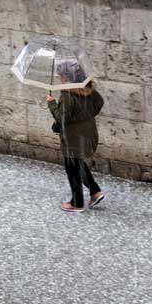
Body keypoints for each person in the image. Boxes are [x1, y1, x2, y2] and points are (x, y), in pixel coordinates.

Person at [46, 63, 104, 213]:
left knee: (72, 169)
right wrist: (85, 117)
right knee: (78, 164)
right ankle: (95, 192)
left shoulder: (68, 94)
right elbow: (99, 103)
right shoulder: (89, 90)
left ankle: (77, 203)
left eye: (60, 77)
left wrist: (52, 104)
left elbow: (62, 118)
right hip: (89, 134)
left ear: (66, 78)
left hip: (72, 138)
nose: (60, 79)